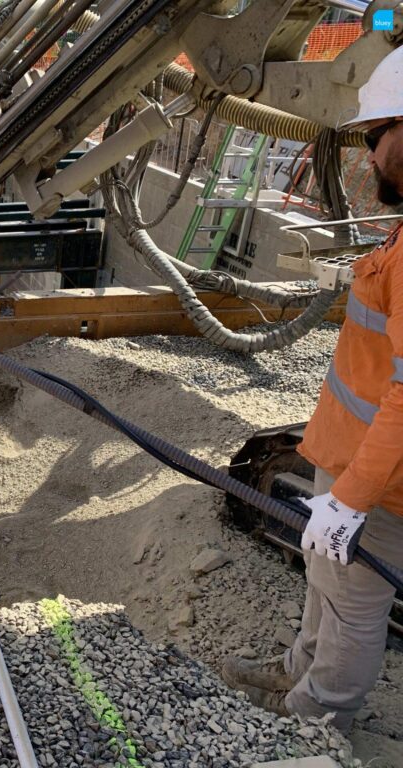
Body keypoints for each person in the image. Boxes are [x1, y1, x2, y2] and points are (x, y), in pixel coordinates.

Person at [222, 45, 403, 733]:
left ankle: (314, 722)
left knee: (356, 602)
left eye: (376, 134)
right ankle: (297, 674)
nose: (369, 152)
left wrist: (353, 498)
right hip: (351, 459)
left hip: (380, 483)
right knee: (325, 582)